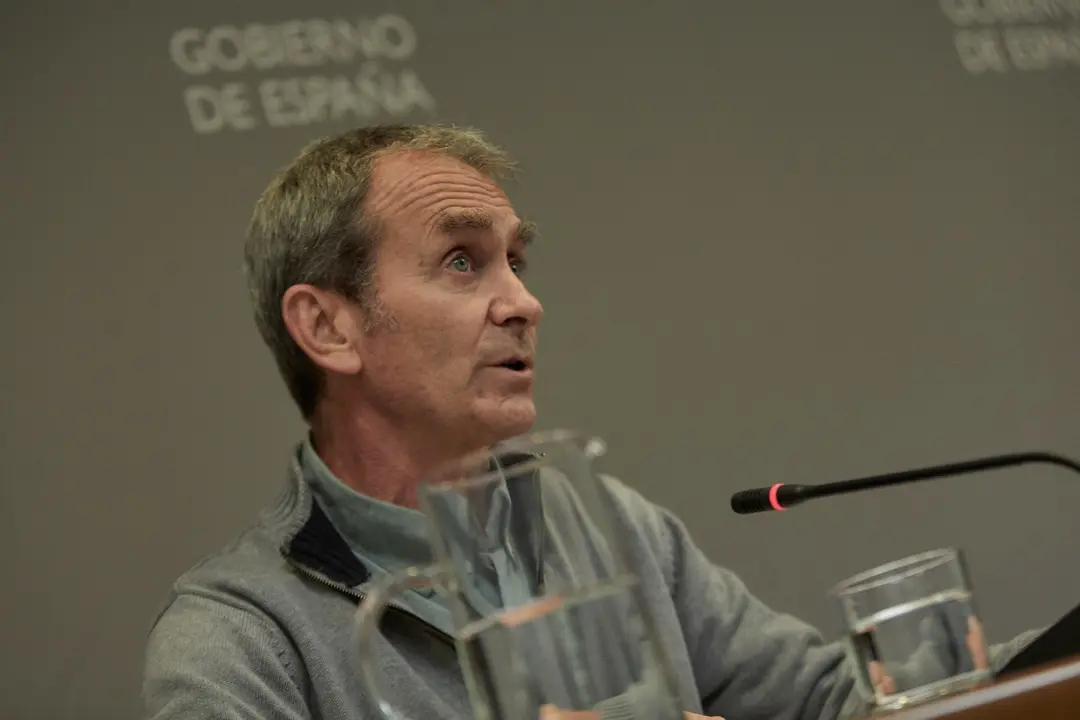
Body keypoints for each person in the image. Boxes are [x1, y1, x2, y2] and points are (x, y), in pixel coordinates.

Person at [142, 124, 1038, 720]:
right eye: (461, 262)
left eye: (516, 261)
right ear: (328, 327)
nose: (524, 303)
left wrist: (1028, 666)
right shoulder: (238, 643)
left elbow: (824, 701)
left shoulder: (601, 523)